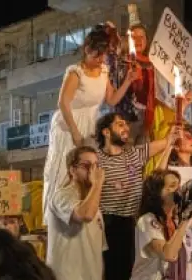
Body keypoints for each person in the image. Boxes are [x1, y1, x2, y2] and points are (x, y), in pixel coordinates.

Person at [42, 23, 137, 221]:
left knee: (86, 171)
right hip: (68, 126)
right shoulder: (76, 72)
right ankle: (55, 217)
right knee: (65, 170)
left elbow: (111, 100)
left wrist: (128, 81)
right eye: (97, 55)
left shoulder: (103, 71)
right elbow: (63, 103)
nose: (101, 59)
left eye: (104, 55)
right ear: (87, 50)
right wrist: (75, 132)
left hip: (88, 126)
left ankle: (83, 211)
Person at [94, 111, 178, 280]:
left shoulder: (134, 154)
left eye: (126, 125)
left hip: (132, 222)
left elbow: (166, 143)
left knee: (134, 272)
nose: (126, 129)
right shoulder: (97, 159)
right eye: (120, 125)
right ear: (106, 132)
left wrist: (173, 133)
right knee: (112, 274)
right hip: (108, 223)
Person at [45, 146, 107, 280]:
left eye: (96, 166)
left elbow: (99, 251)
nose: (93, 171)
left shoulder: (95, 204)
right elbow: (84, 214)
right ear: (72, 170)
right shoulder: (62, 195)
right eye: (86, 166)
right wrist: (98, 185)